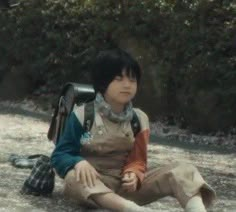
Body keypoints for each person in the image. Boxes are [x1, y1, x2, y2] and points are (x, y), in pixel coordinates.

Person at [51, 49, 216, 212]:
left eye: (132, 79)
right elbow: (60, 155)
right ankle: (132, 209)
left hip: (126, 190)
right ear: (103, 82)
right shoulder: (83, 115)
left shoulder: (139, 119)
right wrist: (77, 162)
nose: (127, 85)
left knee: (183, 170)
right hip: (91, 187)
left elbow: (138, 160)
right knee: (74, 178)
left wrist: (134, 173)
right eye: (118, 79)